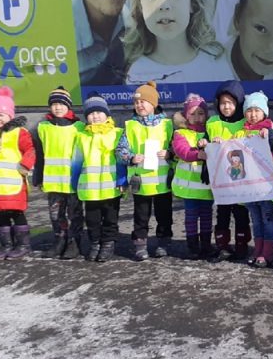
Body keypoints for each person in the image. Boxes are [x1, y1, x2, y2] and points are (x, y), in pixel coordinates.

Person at [0, 87, 35, 261]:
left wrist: (25, 165)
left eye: (2, 115)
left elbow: (30, 150)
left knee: (17, 214)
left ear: (10, 115)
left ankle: (23, 245)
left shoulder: (18, 132)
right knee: (1, 216)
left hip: (13, 184)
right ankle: (6, 245)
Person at [116, 81, 173, 260]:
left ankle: (163, 242)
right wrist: (131, 157)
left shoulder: (167, 125)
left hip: (162, 182)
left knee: (164, 215)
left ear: (153, 104)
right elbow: (120, 150)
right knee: (141, 215)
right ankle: (140, 245)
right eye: (136, 102)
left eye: (143, 101)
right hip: (140, 182)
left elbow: (176, 147)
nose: (139, 105)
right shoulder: (130, 126)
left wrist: (169, 153)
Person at [33, 86, 85, 260]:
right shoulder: (43, 127)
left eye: (61, 104)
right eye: (54, 104)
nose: (57, 107)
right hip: (53, 181)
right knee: (55, 214)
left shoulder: (78, 127)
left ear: (68, 106)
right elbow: (39, 153)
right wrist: (38, 176)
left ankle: (74, 243)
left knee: (74, 214)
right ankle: (59, 241)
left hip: (72, 180)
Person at [72, 93, 124, 262]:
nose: (95, 116)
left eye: (99, 112)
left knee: (110, 218)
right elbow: (76, 162)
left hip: (111, 187)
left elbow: (121, 160)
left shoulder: (117, 133)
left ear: (107, 114)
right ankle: (95, 243)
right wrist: (74, 182)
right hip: (90, 188)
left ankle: (108, 243)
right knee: (92, 219)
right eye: (91, 113)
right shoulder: (82, 136)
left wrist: (122, 180)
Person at [206, 79, 250, 260]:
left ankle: (242, 245)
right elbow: (205, 145)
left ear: (238, 104)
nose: (226, 107)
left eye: (231, 103)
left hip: (241, 178)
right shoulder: (212, 123)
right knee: (222, 212)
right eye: (223, 103)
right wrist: (207, 143)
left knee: (241, 213)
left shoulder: (245, 123)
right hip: (220, 178)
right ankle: (222, 245)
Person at [236, 91, 273, 268]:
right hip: (248, 185)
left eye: (257, 110)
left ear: (264, 113)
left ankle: (268, 252)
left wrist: (268, 135)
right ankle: (258, 249)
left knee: (267, 218)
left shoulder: (268, 130)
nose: (253, 115)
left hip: (265, 186)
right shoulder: (240, 132)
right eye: (249, 110)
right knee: (256, 219)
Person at [171, 93, 214, 259]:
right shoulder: (181, 133)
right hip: (189, 187)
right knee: (191, 216)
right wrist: (198, 154)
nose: (197, 117)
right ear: (185, 115)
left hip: (206, 186)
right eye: (192, 113)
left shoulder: (210, 132)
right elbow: (182, 151)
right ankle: (192, 245)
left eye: (201, 113)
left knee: (207, 216)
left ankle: (206, 244)